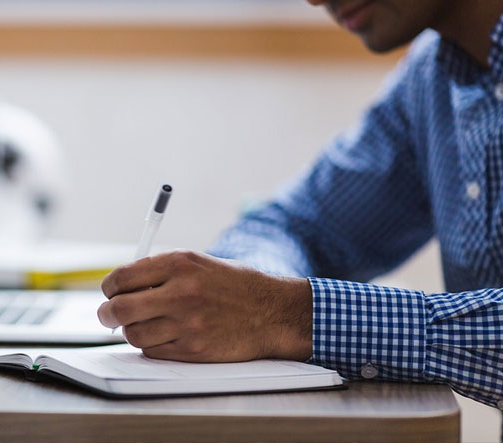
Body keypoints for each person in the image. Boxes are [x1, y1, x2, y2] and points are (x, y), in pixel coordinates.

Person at [97, 0, 503, 410]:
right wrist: (246, 294)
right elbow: (294, 225)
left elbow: (280, 302)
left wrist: (287, 315)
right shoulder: (433, 78)